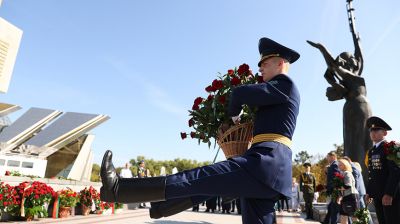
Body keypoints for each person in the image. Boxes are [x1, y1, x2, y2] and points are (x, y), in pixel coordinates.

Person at [99, 37, 301, 224]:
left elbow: (239, 94)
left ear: (281, 62)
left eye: (265, 63)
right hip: (270, 169)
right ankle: (160, 207)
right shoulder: (278, 92)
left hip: (264, 162)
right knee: (209, 185)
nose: (261, 69)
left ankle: (118, 190)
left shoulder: (285, 84)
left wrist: (234, 117)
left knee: (199, 178)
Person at [365, 116, 400, 224]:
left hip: (390, 195)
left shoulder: (391, 147)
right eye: (371, 130)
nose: (373, 133)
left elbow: (395, 173)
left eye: (376, 130)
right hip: (378, 195)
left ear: (385, 133)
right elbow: (372, 173)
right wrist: (369, 192)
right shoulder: (372, 151)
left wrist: (389, 194)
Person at [337, 159, 359, 224]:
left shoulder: (347, 173)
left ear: (345, 165)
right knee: (343, 215)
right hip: (345, 197)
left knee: (354, 217)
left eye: (340, 164)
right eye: (339, 164)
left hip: (351, 196)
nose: (339, 166)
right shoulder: (342, 173)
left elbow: (348, 185)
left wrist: (338, 187)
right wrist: (340, 196)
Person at [322, 151, 340, 224]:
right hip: (333, 190)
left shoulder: (335, 165)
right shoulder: (332, 165)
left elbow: (336, 178)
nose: (327, 158)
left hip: (335, 191)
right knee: (330, 207)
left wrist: (332, 188)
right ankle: (326, 221)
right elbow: (331, 177)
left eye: (328, 157)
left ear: (333, 157)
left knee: (334, 209)